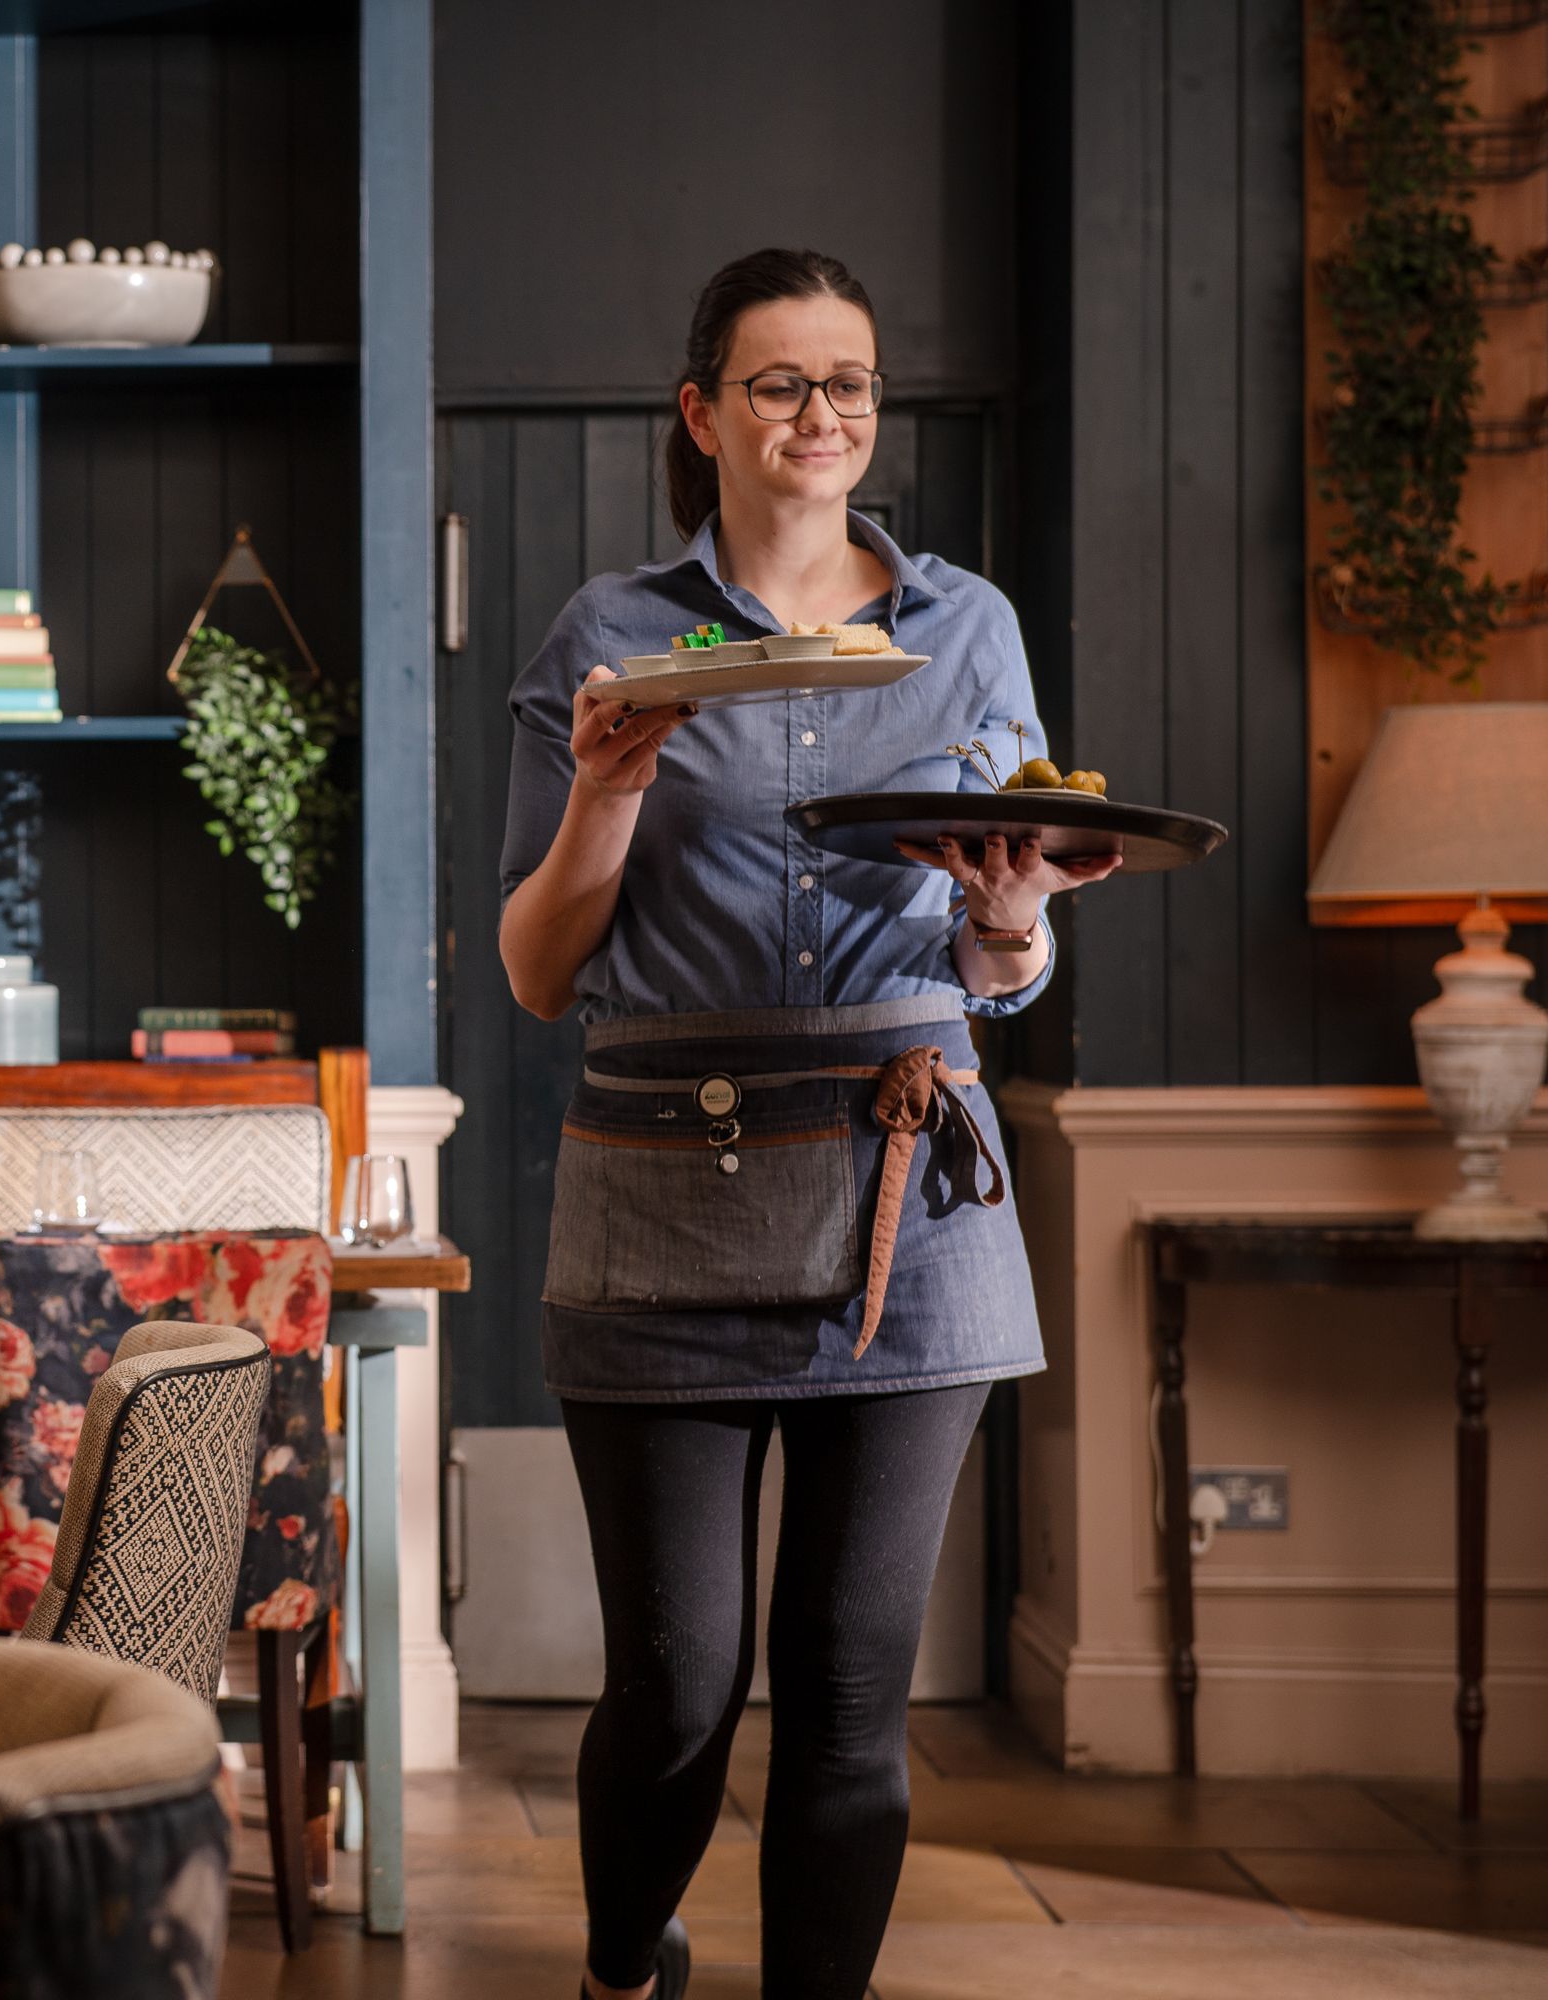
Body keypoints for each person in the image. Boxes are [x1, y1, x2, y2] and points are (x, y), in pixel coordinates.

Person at [495, 247, 1120, 2000]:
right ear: (705, 416)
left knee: (851, 1696)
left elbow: (1005, 953)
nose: (820, 416)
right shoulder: (608, 640)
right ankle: (630, 1961)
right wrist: (608, 794)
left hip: (906, 1177)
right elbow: (543, 969)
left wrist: (1011, 908)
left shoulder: (964, 628)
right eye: (779, 383)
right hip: (656, 1180)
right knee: (679, 1685)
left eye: (847, 382)